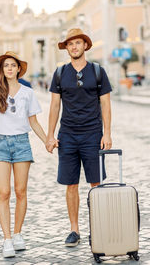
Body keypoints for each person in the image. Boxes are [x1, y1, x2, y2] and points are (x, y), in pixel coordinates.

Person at [46, 28, 112, 247]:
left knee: (96, 183)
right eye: (70, 44)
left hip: (93, 134)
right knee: (71, 184)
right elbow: (55, 105)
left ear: (85, 45)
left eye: (77, 43)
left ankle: (99, 227)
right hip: (68, 136)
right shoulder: (59, 73)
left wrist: (107, 133)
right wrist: (50, 135)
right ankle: (74, 229)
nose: (74, 47)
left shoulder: (98, 71)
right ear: (67, 48)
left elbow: (106, 104)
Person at [0, 51, 46, 258]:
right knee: (4, 193)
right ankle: (7, 239)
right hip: (0, 144)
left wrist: (47, 140)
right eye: (6, 66)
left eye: (13, 65)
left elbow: (33, 122)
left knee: (20, 191)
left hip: (21, 144)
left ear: (19, 69)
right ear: (1, 70)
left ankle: (18, 233)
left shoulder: (28, 93)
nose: (9, 68)